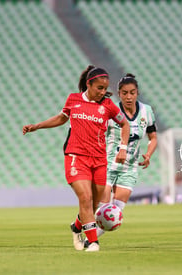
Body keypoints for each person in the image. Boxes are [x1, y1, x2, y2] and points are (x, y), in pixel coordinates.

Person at [22, 66, 130, 252]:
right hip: (75, 157)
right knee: (85, 197)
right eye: (99, 88)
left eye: (105, 89)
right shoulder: (73, 99)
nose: (103, 92)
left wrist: (123, 148)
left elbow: (125, 124)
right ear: (89, 84)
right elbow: (61, 118)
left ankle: (76, 227)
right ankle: (93, 242)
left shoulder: (108, 105)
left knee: (95, 204)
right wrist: (37, 126)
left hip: (99, 160)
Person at [89, 73, 157, 243]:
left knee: (115, 212)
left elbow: (153, 137)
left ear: (137, 93)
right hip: (108, 164)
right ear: (119, 93)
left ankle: (89, 240)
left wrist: (148, 154)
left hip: (130, 167)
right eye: (125, 93)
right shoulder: (111, 110)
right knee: (102, 208)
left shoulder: (146, 111)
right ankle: (85, 233)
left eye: (132, 93)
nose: (128, 97)